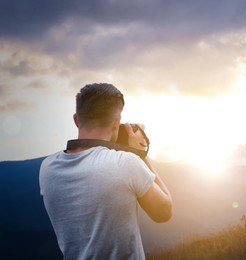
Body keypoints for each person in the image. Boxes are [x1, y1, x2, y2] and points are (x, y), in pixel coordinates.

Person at [39, 83, 172, 260]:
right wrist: (140, 153)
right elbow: (164, 212)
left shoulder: (47, 167)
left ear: (76, 119)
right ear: (116, 122)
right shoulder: (127, 163)